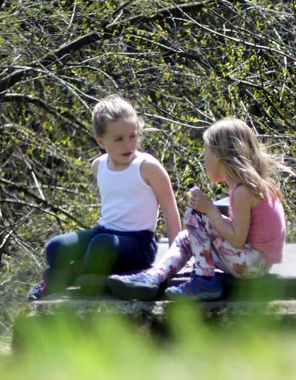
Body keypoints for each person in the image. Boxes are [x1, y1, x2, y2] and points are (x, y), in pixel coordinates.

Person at [106, 117, 291, 301]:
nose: (204, 159)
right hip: (255, 261)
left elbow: (237, 237)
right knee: (187, 237)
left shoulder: (243, 191)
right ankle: (153, 277)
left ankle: (205, 280)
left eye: (206, 152)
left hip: (251, 264)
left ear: (218, 155)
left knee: (196, 214)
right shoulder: (249, 186)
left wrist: (209, 209)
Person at [27, 95, 181, 301]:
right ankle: (71, 273)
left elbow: (170, 209)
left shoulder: (148, 167)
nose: (128, 145)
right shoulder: (98, 166)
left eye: (133, 136)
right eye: (119, 139)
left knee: (102, 245)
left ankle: (63, 277)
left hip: (139, 243)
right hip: (105, 233)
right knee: (55, 247)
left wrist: (174, 258)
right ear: (101, 141)